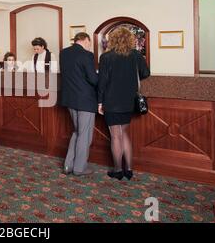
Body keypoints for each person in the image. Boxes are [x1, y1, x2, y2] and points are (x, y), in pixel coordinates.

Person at [98, 27, 150, 181]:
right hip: (128, 100)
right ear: (130, 39)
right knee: (124, 134)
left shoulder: (106, 57)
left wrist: (100, 102)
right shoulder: (136, 55)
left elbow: (102, 82)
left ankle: (118, 170)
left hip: (111, 101)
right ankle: (129, 170)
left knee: (115, 136)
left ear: (112, 40)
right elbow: (146, 73)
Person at [60, 32, 98, 176]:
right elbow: (93, 79)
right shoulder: (87, 55)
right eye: (89, 42)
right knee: (84, 134)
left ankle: (68, 165)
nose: (89, 45)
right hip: (85, 100)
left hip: (70, 99)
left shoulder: (64, 53)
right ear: (84, 40)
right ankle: (79, 168)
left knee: (77, 132)